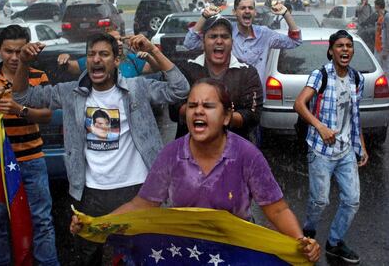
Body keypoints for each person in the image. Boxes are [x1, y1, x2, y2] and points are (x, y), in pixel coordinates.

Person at [71, 78, 321, 263]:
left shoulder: (247, 155)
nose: (198, 111)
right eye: (192, 105)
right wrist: (97, 224)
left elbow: (276, 209)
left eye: (208, 106)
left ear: (225, 117)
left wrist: (301, 244)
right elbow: (141, 206)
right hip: (182, 253)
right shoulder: (171, 154)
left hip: (233, 251)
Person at [12, 33, 189, 265]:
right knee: (89, 257)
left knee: (138, 256)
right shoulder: (70, 93)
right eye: (91, 54)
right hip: (90, 192)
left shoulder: (137, 88)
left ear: (116, 60)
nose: (97, 59)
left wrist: (153, 51)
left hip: (136, 190)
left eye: (104, 54)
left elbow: (180, 89)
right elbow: (23, 95)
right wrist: (24, 62)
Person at [0, 25, 59, 265]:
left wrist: (19, 109)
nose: (14, 57)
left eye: (19, 51)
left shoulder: (37, 76)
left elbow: (47, 115)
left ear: (27, 51)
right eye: (8, 51)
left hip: (32, 159)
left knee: (41, 220)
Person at [294, 30, 369, 264]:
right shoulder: (320, 75)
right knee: (320, 201)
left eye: (348, 46)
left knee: (352, 200)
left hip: (346, 150)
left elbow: (354, 116)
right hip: (320, 151)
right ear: (331, 51)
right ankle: (308, 231)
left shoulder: (357, 79)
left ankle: (334, 242)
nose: (345, 49)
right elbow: (299, 104)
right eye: (340, 46)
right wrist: (320, 127)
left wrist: (362, 147)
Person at [184, 0, 301, 96]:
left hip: (255, 97)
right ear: (234, 12)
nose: (247, 11)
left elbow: (295, 41)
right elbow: (190, 43)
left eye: (250, 8)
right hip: (226, 95)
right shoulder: (225, 32)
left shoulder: (265, 34)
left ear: (255, 12)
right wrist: (204, 17)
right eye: (243, 8)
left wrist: (285, 14)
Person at [169, 15, 263, 141]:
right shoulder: (186, 69)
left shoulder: (248, 73)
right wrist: (216, 114)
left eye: (225, 36)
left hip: (235, 149)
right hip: (190, 149)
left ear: (232, 41)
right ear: (203, 41)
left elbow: (253, 115)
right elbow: (174, 109)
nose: (219, 41)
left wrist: (215, 117)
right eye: (213, 36)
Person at [57, 30, 160, 78]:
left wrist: (150, 52)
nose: (119, 43)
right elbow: (69, 67)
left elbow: (156, 68)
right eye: (114, 41)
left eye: (120, 40)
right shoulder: (94, 61)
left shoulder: (131, 59)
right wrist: (63, 59)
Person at [374, 0, 389, 76]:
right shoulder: (380, 17)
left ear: (378, 6)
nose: (374, 7)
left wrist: (385, 50)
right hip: (378, 48)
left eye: (375, 5)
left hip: (383, 49)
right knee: (379, 70)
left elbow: (386, 35)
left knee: (385, 71)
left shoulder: (386, 17)